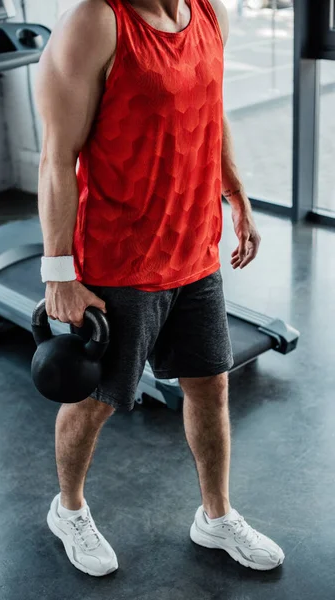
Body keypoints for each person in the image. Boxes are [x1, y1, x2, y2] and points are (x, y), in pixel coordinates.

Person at [36, 0, 284, 577]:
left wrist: (237, 194)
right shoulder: (96, 23)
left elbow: (211, 106)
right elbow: (56, 157)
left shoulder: (207, 12)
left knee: (210, 387)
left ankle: (216, 516)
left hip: (194, 249)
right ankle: (67, 508)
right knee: (96, 402)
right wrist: (59, 273)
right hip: (121, 259)